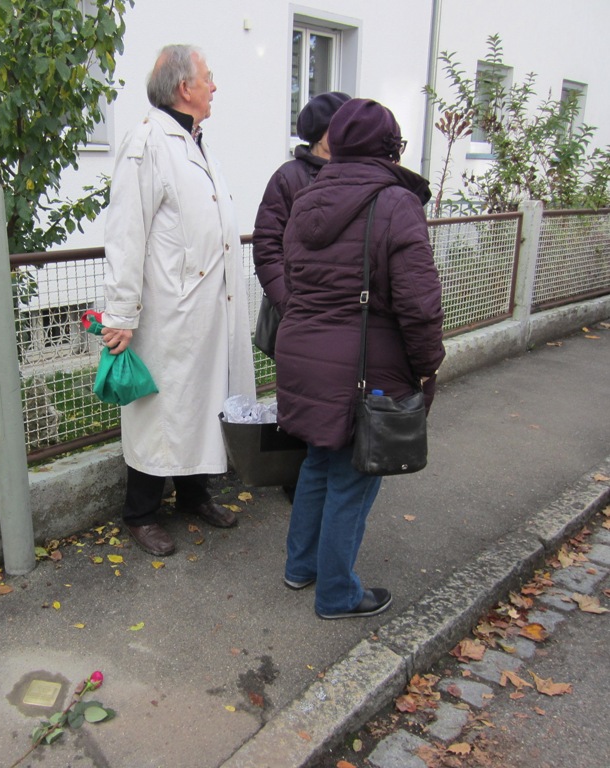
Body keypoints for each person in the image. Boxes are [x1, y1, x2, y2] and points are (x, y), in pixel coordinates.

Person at [275, 98, 446, 619]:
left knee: (319, 465)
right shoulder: (395, 204)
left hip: (304, 355)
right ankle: (338, 595)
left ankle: (300, 567)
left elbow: (293, 276)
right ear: (389, 148)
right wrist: (426, 364)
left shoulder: (306, 198)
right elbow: (419, 302)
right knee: (353, 476)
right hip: (364, 367)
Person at [100, 44, 256, 557]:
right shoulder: (147, 142)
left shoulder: (193, 140)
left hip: (206, 309)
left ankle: (194, 495)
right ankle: (140, 513)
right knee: (162, 413)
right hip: (167, 313)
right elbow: (126, 233)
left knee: (204, 405)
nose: (215, 86)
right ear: (184, 88)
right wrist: (120, 312)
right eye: (209, 78)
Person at [252, 91, 351, 325]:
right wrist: (289, 305)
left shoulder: (356, 174)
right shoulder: (288, 177)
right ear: (321, 131)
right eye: (340, 125)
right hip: (300, 314)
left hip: (347, 317)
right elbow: (267, 246)